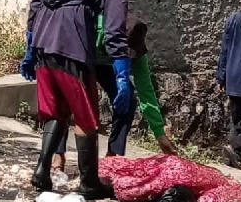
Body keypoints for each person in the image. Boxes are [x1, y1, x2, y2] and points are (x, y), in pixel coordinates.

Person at [21, 0, 145, 199]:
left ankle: (42, 171)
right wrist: (122, 78)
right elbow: (115, 32)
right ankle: (89, 183)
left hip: (43, 42)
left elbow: (35, 5)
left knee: (56, 110)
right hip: (72, 46)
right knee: (85, 115)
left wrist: (30, 48)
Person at [54, 13, 177, 171]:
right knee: (66, 98)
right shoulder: (92, 30)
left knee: (129, 101)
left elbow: (145, 90)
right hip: (83, 57)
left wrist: (159, 132)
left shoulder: (136, 46)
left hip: (111, 68)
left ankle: (112, 155)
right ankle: (59, 153)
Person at [217, 5, 241, 169]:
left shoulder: (233, 19)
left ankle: (231, 157)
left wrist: (221, 77)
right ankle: (234, 150)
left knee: (238, 120)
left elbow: (225, 50)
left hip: (233, 79)